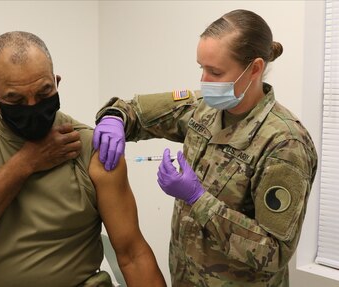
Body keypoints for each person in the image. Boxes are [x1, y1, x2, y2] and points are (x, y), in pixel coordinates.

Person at [0, 31, 166, 287]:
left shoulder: (90, 148)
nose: (33, 106)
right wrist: (25, 163)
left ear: (56, 83)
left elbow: (132, 254)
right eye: (15, 99)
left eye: (44, 92)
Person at [93, 9, 317, 287]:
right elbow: (137, 112)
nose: (205, 81)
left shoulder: (284, 143)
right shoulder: (205, 109)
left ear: (255, 68)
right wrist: (114, 118)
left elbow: (274, 252)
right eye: (202, 67)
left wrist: (197, 198)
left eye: (216, 71)